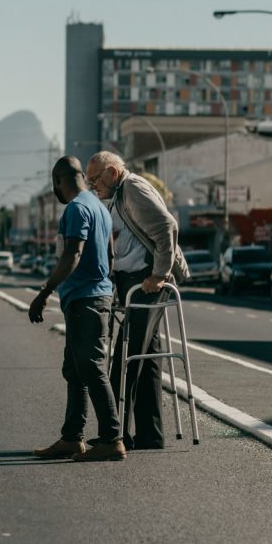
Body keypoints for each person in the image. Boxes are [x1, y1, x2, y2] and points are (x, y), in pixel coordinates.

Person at [86, 151, 190, 451]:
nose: (94, 187)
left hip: (146, 281)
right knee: (148, 360)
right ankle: (150, 434)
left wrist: (159, 274)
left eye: (95, 180)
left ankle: (114, 435)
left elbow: (166, 227)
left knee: (125, 356)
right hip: (135, 281)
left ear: (112, 173)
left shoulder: (132, 188)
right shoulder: (119, 195)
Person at [29, 156, 125, 462]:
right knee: (75, 370)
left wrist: (44, 292)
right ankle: (72, 438)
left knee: (92, 368)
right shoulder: (99, 207)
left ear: (59, 181)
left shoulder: (76, 209)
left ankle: (112, 439)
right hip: (93, 297)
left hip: (86, 301)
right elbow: (110, 255)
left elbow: (72, 253)